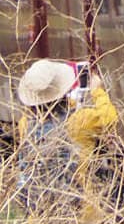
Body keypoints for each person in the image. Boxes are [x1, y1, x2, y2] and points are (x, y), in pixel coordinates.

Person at [13, 58, 118, 214]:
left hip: (39, 212)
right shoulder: (80, 120)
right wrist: (97, 90)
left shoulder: (25, 124)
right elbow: (109, 117)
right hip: (79, 212)